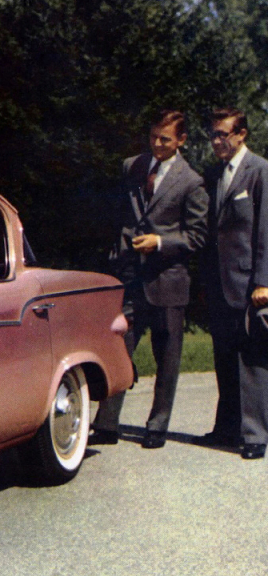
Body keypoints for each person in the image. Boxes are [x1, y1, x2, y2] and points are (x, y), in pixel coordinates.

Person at [91, 110, 208, 449]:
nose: (157, 144)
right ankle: (107, 423)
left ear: (182, 141)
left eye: (166, 139)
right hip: (131, 278)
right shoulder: (133, 166)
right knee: (118, 348)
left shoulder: (191, 182)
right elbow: (122, 213)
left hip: (168, 281)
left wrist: (160, 242)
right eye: (154, 136)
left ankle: (157, 425)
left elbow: (197, 236)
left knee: (167, 358)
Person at [198, 107, 268, 459]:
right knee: (224, 355)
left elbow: (265, 231)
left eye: (223, 134)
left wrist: (263, 281)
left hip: (248, 282)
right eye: (213, 134)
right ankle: (226, 428)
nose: (216, 141)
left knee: (252, 357)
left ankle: (255, 434)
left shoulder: (260, 171)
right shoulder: (213, 174)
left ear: (241, 134)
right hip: (219, 281)